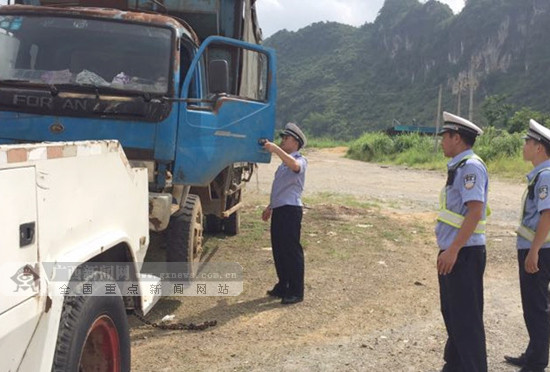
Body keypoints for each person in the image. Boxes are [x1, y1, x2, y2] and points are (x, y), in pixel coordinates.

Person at [436, 111, 489, 372]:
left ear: (456, 138)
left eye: (445, 136)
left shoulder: (471, 167)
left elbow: (475, 210)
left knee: (466, 319)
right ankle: (455, 365)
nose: (442, 141)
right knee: (454, 315)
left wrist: (454, 249)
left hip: (464, 252)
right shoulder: (458, 165)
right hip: (454, 250)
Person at [505, 119, 550, 372]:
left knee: (536, 307)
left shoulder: (545, 176)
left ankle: (537, 362)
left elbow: (547, 214)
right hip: (539, 248)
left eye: (527, 143)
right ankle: (534, 353)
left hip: (540, 250)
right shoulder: (541, 175)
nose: (524, 147)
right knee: (535, 305)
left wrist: (533, 251)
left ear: (539, 148)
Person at [261, 122, 307, 305]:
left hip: (291, 210)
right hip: (280, 209)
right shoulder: (282, 165)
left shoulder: (300, 160)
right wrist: (270, 206)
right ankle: (283, 284)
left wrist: (274, 149)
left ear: (295, 142)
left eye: (285, 138)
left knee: (291, 250)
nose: (282, 141)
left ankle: (296, 290)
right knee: (279, 249)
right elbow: (279, 189)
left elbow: (295, 165)